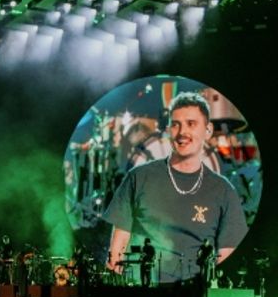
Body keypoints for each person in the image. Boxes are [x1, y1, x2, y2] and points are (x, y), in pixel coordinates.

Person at [104, 91, 249, 282]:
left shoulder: (223, 191)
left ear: (208, 130)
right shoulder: (139, 178)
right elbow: (117, 249)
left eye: (191, 124)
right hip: (141, 293)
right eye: (175, 124)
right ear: (168, 130)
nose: (182, 133)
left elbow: (227, 254)